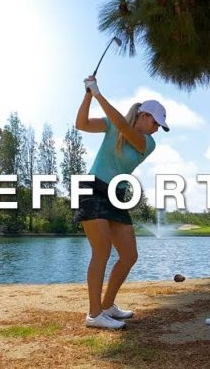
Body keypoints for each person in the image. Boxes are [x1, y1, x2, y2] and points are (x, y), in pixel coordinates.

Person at [74, 75, 169, 330]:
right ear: (144, 115)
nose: (157, 128)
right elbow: (80, 124)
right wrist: (87, 94)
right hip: (92, 188)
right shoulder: (111, 124)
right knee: (102, 250)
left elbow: (125, 129)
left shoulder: (148, 143)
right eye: (156, 122)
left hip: (117, 194)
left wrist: (98, 95)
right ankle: (95, 315)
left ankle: (107, 306)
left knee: (129, 255)